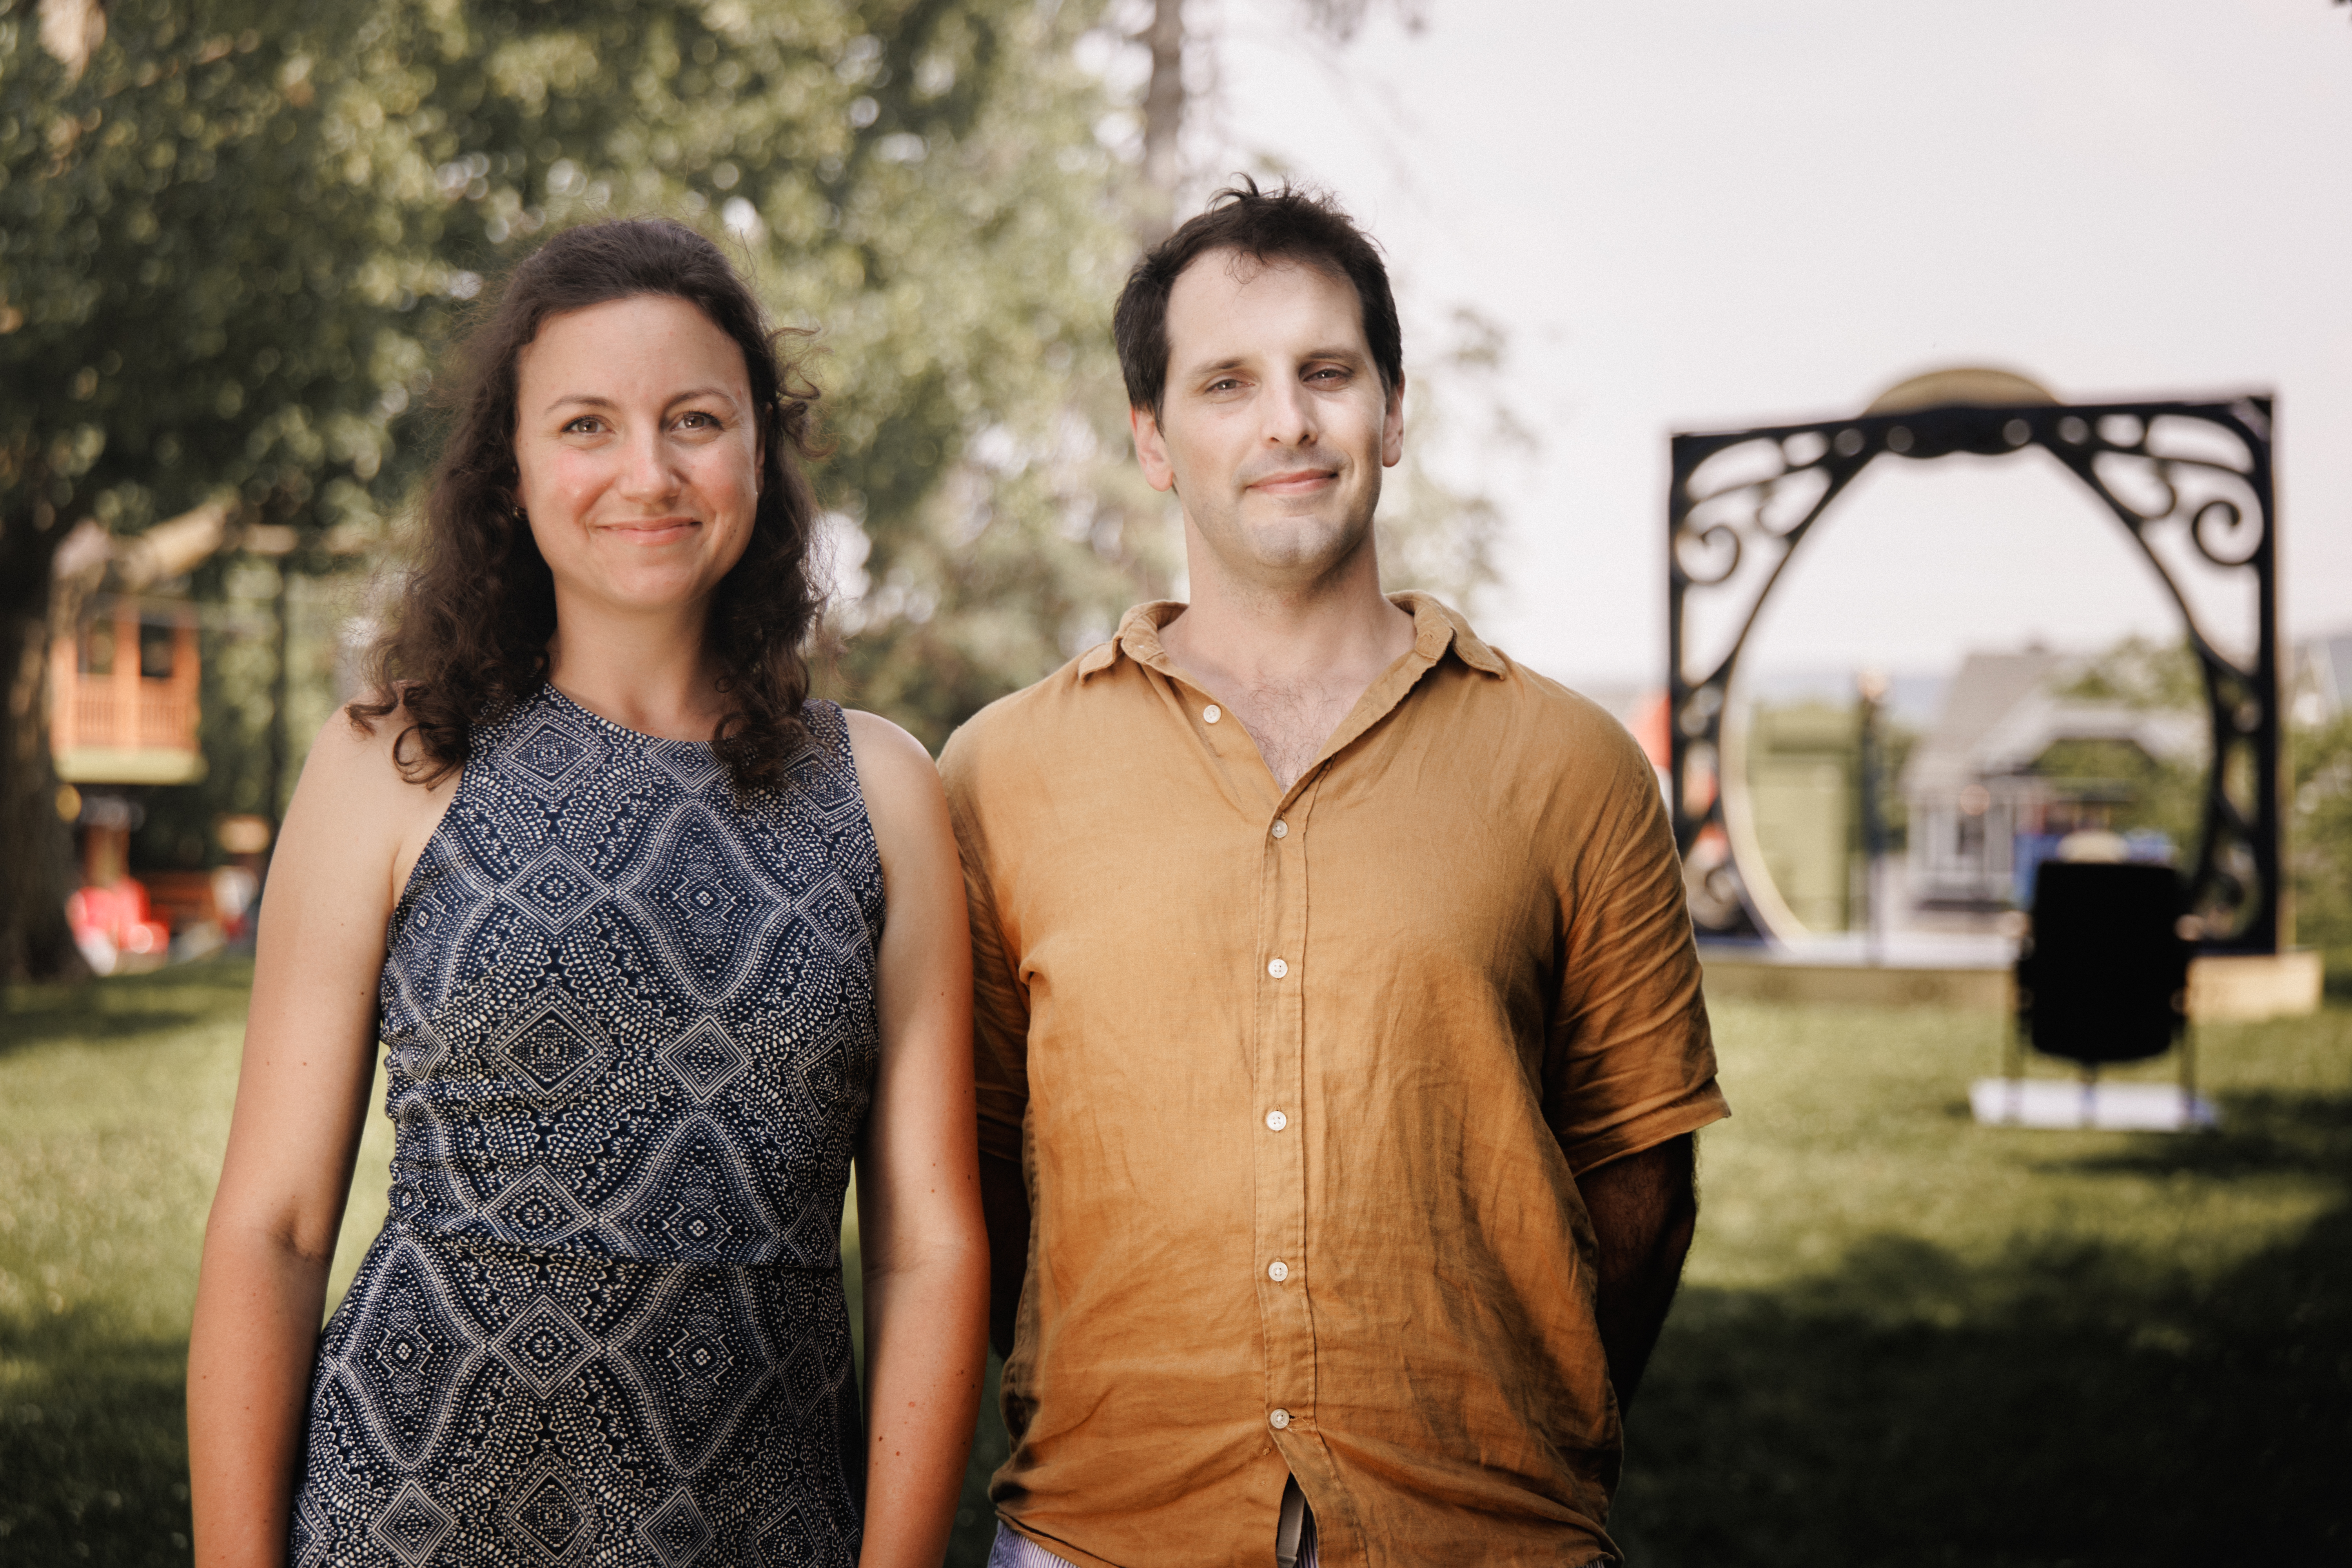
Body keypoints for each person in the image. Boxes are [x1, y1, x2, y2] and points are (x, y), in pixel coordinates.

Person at [939, 180, 1728, 1568]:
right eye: (1227, 383)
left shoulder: (1576, 766)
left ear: (1395, 413)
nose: (1287, 423)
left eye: (1326, 374)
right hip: (1104, 1534)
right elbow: (972, 1184)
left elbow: (1642, 1187)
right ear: (1153, 439)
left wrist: (1507, 1430)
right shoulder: (1000, 776)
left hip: (1486, 1540)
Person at [186, 218, 987, 1568]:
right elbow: (272, 1228)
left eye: (694, 420)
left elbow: (928, 1253)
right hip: (404, 1516)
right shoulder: (392, 762)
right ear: (512, 465)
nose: (648, 472)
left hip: (759, 1525)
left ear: (758, 450)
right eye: (585, 426)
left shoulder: (886, 789)